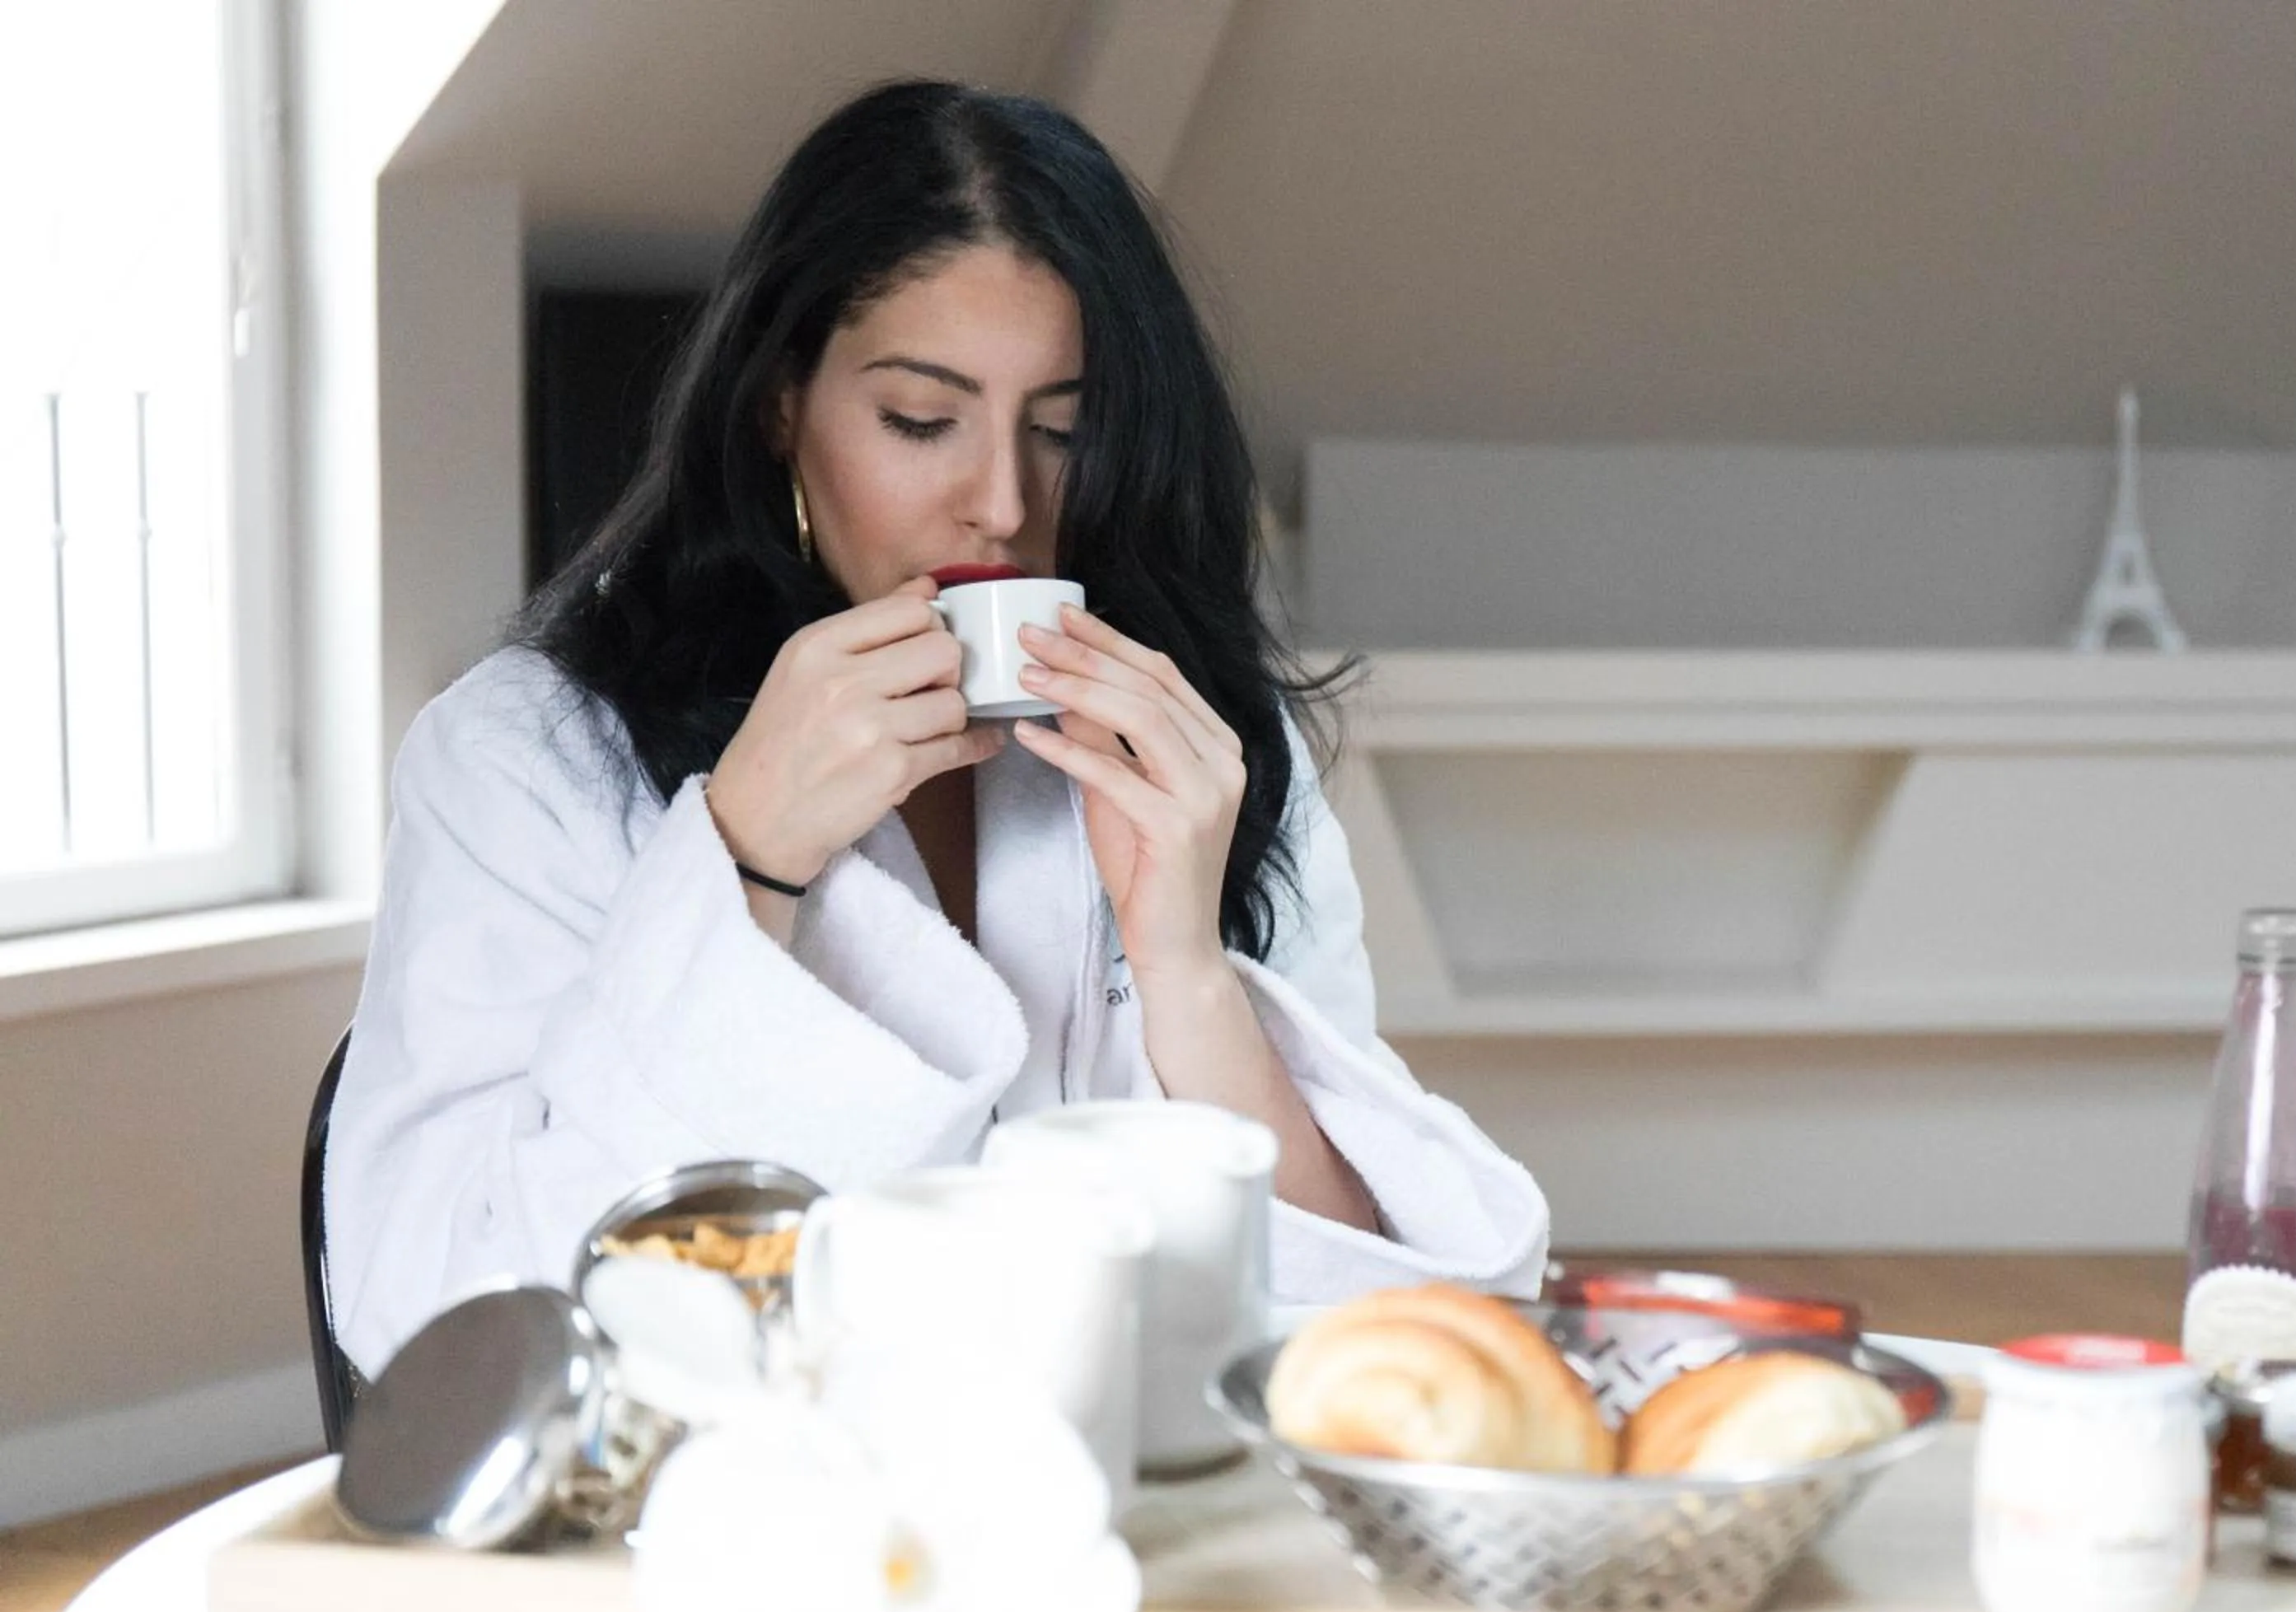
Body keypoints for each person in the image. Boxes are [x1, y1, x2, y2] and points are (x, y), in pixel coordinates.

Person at [325, 80, 1548, 1374]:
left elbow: (1378, 1336)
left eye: (1065, 429)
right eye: (921, 420)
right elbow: (445, 1321)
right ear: (780, 403)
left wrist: (1186, 972)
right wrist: (745, 862)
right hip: (736, 1483)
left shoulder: (1198, 747)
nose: (1003, 504)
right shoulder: (529, 758)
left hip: (1140, 1480)